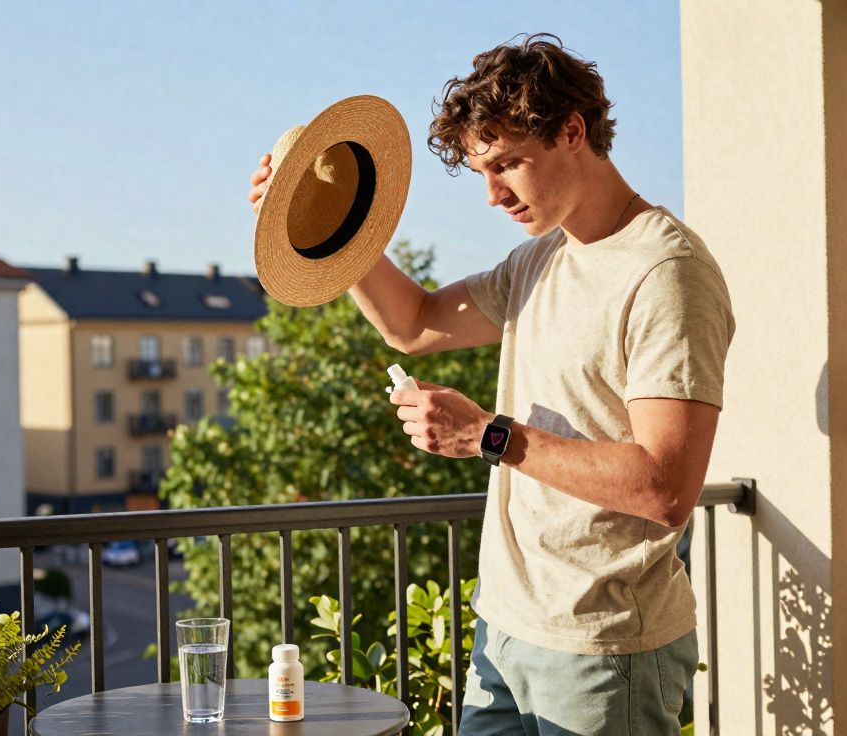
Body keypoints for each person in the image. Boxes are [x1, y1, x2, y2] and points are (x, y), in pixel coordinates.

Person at [248, 33, 734, 736]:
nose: (493, 194)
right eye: (481, 170)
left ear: (574, 131)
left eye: (507, 164)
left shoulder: (666, 273)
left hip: (603, 648)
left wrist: (486, 435)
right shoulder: (537, 261)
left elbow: (665, 487)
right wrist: (313, 217)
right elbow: (412, 323)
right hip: (505, 628)